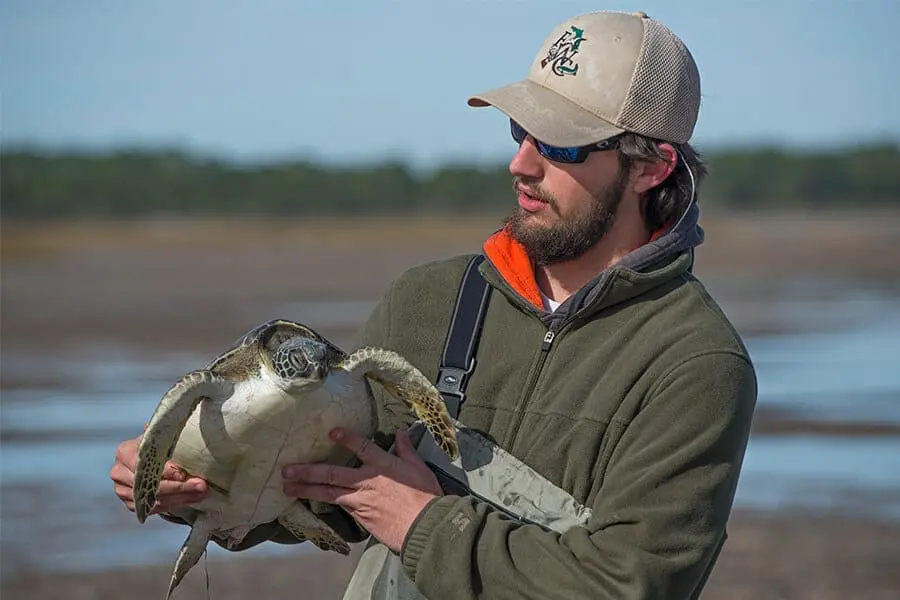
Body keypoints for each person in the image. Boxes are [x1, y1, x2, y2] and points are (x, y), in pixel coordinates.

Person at [111, 10, 757, 599]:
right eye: (521, 130)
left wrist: (424, 524)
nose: (521, 164)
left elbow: (629, 585)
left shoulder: (696, 365)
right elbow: (329, 489)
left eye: (560, 145)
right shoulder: (429, 301)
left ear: (650, 167)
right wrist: (196, 482)